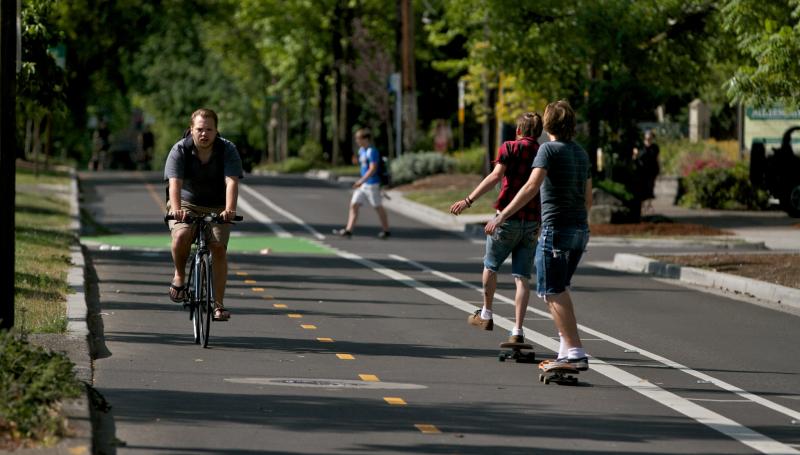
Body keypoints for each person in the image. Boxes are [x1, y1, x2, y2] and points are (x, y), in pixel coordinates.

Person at [485, 100, 592, 371]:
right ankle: (565, 350)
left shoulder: (547, 150)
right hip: (580, 230)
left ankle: (576, 351)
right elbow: (588, 197)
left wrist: (503, 215)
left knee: (552, 291)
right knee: (559, 289)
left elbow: (531, 186)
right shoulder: (581, 153)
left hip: (556, 229)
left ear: (547, 124)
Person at [450, 112, 543, 344]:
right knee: (522, 277)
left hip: (506, 219)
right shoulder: (544, 152)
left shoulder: (509, 148)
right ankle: (518, 331)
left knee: (490, 265)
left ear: (519, 130)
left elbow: (495, 176)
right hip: (532, 221)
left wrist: (468, 200)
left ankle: (486, 313)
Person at [164, 108, 243, 321]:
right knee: (181, 235)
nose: (204, 134)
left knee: (218, 248)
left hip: (218, 205)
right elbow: (174, 184)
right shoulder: (179, 150)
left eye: (209, 129)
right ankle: (179, 275)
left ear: (217, 131)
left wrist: (229, 210)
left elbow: (231, 182)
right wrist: (178, 210)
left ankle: (218, 305)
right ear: (191, 130)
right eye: (199, 129)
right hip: (187, 203)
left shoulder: (227, 149)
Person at [332, 128, 390, 239]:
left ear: (365, 139)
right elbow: (363, 164)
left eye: (358, 139)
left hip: (372, 184)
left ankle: (386, 230)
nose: (357, 141)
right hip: (363, 185)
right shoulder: (361, 151)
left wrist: (361, 180)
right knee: (354, 204)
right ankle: (349, 230)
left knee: (377, 207)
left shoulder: (372, 151)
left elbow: (373, 169)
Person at [633, 129, 660, 215]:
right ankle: (642, 207)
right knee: (641, 189)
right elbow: (635, 158)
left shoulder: (655, 147)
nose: (649, 138)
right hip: (641, 171)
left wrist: (659, 169)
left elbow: (657, 159)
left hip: (651, 171)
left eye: (650, 136)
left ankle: (648, 206)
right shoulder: (639, 146)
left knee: (650, 188)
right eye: (647, 136)